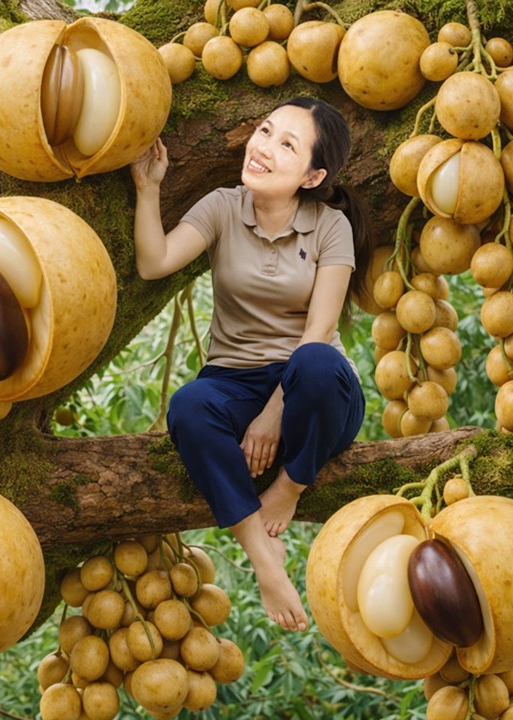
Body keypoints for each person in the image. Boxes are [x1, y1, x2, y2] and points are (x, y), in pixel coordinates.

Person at [130, 97, 374, 632]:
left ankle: (288, 488)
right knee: (188, 407)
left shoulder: (331, 227)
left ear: (313, 175)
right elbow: (154, 263)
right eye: (265, 131)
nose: (262, 147)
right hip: (233, 385)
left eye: (286, 144)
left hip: (314, 396)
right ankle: (265, 558)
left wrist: (273, 416)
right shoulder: (222, 206)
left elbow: (321, 332)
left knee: (312, 361)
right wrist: (149, 189)